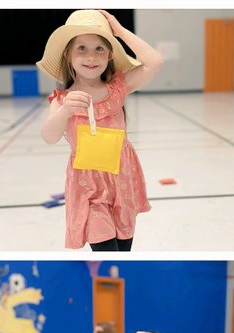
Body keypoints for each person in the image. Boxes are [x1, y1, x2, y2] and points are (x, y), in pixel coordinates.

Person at [38, 9, 163, 250]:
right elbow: (49, 136)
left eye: (99, 49)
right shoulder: (62, 98)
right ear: (68, 55)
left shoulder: (118, 88)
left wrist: (119, 31)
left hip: (122, 180)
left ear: (109, 55)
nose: (91, 56)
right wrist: (65, 110)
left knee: (123, 250)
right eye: (81, 48)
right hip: (89, 188)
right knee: (104, 246)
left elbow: (155, 62)